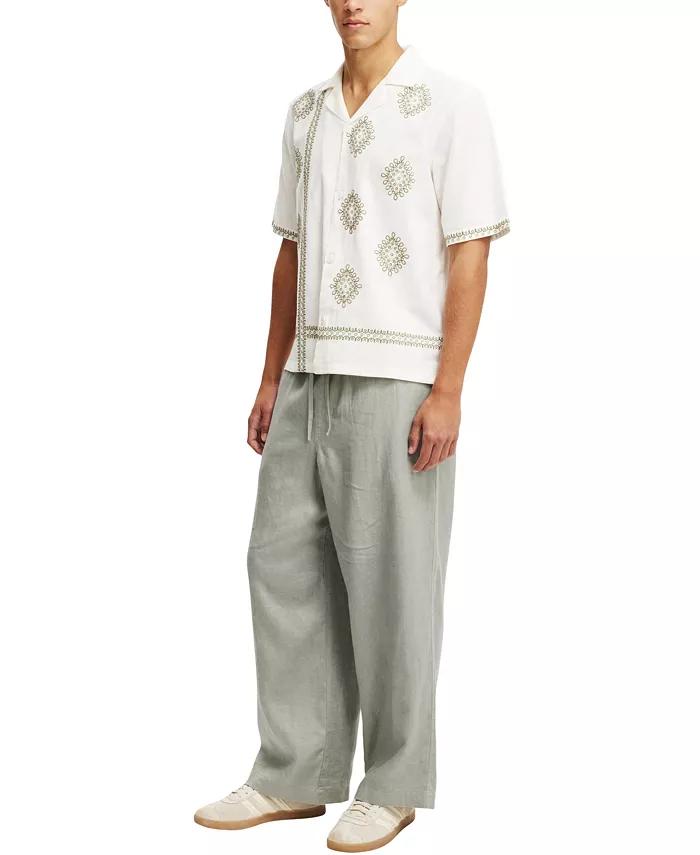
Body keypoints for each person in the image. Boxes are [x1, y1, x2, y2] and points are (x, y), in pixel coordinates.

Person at [194, 0, 510, 850]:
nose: (352, 4)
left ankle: (394, 783)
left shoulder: (451, 104)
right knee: (280, 563)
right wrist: (271, 374)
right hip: (308, 372)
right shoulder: (305, 113)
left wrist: (449, 389)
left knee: (396, 584)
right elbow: (291, 251)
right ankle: (293, 771)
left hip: (399, 374)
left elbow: (471, 250)